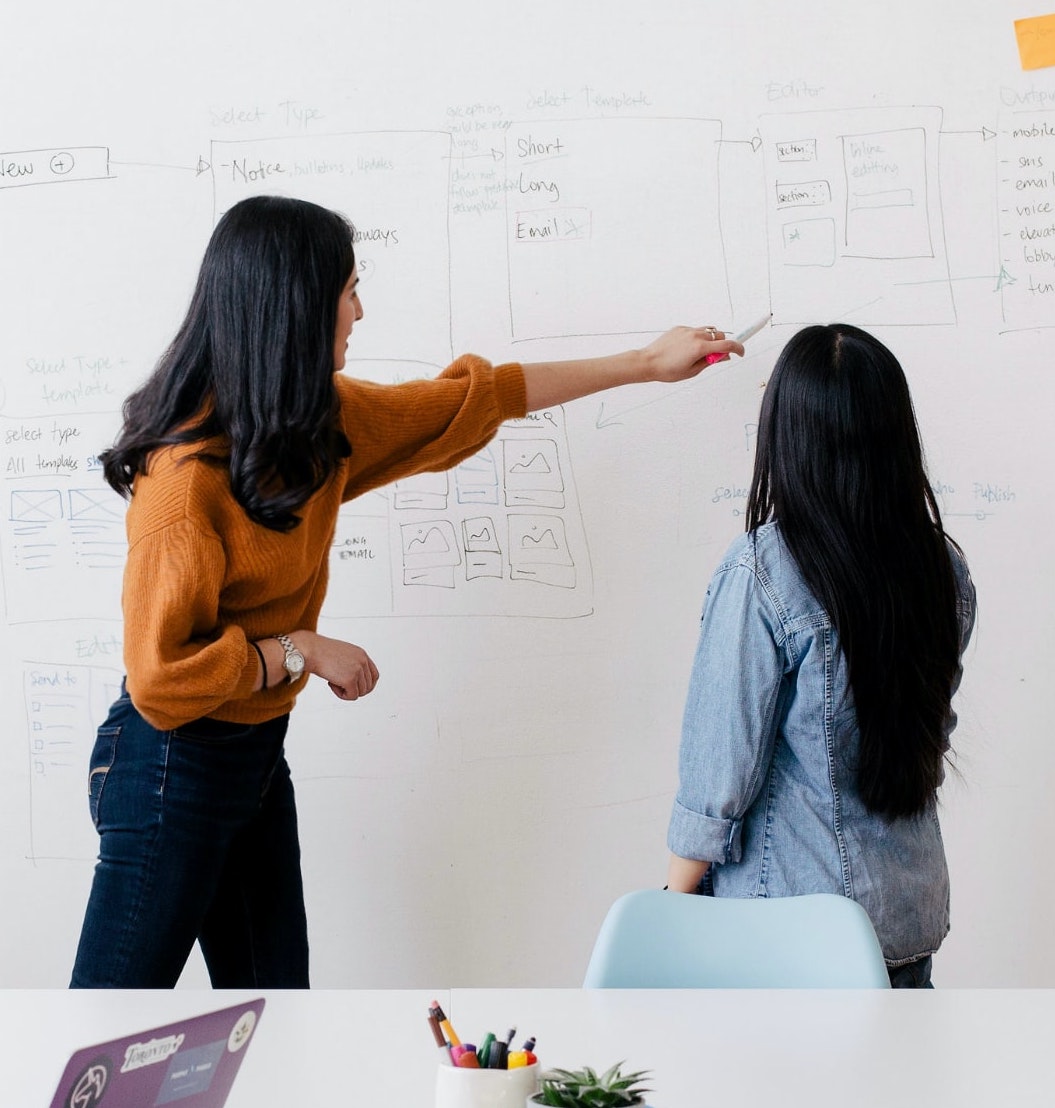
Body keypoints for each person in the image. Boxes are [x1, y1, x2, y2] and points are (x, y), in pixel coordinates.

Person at [69, 194, 742, 988]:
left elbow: (475, 399)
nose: (359, 309)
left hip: (251, 759)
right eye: (347, 290)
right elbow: (160, 680)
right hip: (165, 768)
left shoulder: (313, 426)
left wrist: (645, 363)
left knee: (279, 1018)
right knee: (108, 1032)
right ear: (294, 307)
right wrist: (298, 651)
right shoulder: (182, 487)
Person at [665, 323, 976, 988]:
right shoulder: (940, 566)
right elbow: (928, 735)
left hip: (789, 927)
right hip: (905, 917)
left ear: (788, 432)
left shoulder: (765, 570)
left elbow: (720, 770)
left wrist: (671, 903)